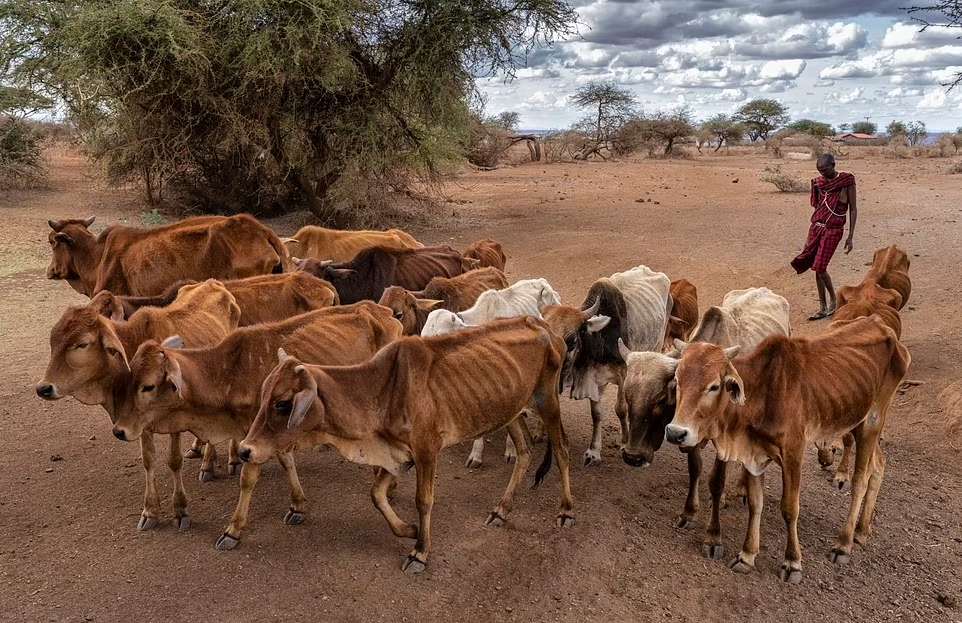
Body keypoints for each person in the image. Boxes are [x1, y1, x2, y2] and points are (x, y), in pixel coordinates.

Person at [790, 154, 857, 320]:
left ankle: (833, 301)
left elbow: (853, 209)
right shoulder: (819, 183)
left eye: (825, 169)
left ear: (833, 165)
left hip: (833, 230)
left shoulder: (846, 181)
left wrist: (850, 236)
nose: (822, 173)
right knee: (815, 266)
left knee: (820, 267)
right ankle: (822, 306)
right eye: (820, 170)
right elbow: (818, 206)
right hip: (816, 228)